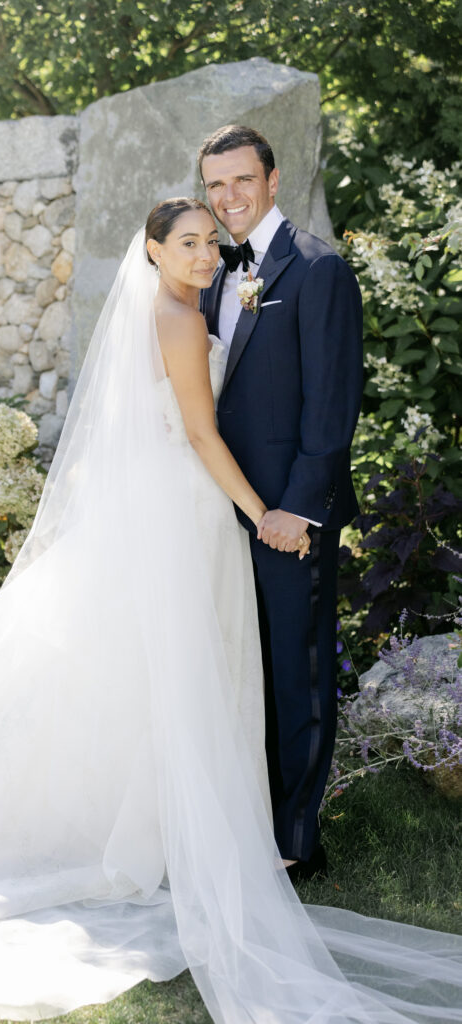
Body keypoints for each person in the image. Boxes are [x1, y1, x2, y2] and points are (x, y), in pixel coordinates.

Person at [0, 201, 460, 1024]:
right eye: (187, 243)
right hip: (185, 507)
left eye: (209, 240)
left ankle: (149, 817)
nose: (205, 254)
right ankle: (162, 825)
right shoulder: (179, 319)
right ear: (152, 251)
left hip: (159, 503)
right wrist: (261, 514)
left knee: (148, 667)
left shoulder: (172, 309)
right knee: (179, 663)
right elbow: (201, 435)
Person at [199, 124, 364, 881]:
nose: (228, 196)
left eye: (242, 179)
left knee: (296, 669)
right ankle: (243, 818)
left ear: (272, 180)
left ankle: (297, 840)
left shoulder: (318, 268)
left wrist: (299, 508)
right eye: (215, 184)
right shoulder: (211, 272)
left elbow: (331, 403)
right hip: (217, 508)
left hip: (287, 516)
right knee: (238, 667)